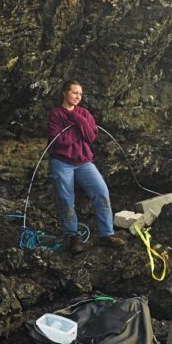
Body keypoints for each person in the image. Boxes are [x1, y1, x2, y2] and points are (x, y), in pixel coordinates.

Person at [48, 80, 125, 254]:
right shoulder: (55, 115)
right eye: (75, 93)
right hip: (61, 162)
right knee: (66, 199)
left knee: (101, 191)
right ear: (65, 92)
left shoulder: (83, 113)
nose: (78, 97)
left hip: (83, 161)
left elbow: (91, 135)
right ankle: (72, 237)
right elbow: (59, 140)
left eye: (80, 94)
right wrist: (80, 130)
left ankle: (106, 234)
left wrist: (77, 119)